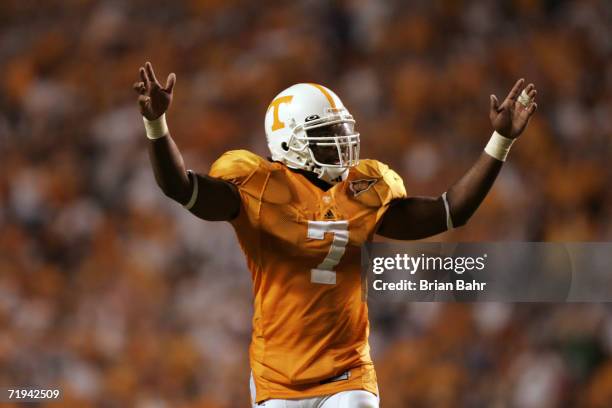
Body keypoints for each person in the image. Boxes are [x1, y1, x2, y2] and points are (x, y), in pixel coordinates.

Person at [133, 62, 537, 407]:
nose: (341, 145)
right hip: (277, 377)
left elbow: (451, 211)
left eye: (341, 131)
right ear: (289, 143)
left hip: (348, 374)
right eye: (326, 137)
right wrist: (157, 124)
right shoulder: (255, 186)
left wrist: (500, 140)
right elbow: (181, 187)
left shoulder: (366, 187)